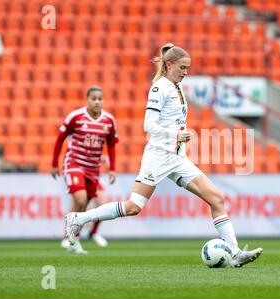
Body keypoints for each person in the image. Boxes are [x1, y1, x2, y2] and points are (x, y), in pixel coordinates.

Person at [65, 43, 262, 267]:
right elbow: (148, 125)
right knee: (133, 207)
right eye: (183, 67)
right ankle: (78, 219)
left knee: (216, 198)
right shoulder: (160, 88)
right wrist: (176, 135)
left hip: (177, 158)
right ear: (169, 65)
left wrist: (177, 140)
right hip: (158, 156)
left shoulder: (176, 87)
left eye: (188, 68)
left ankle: (235, 253)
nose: (186, 72)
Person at [52, 86, 118, 254]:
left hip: (93, 169)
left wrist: (112, 169)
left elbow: (111, 145)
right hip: (74, 163)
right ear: (87, 100)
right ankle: (69, 237)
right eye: (93, 98)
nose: (97, 102)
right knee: (80, 199)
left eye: (100, 99)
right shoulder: (76, 117)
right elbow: (60, 138)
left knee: (83, 205)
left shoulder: (108, 121)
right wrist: (54, 164)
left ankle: (74, 239)